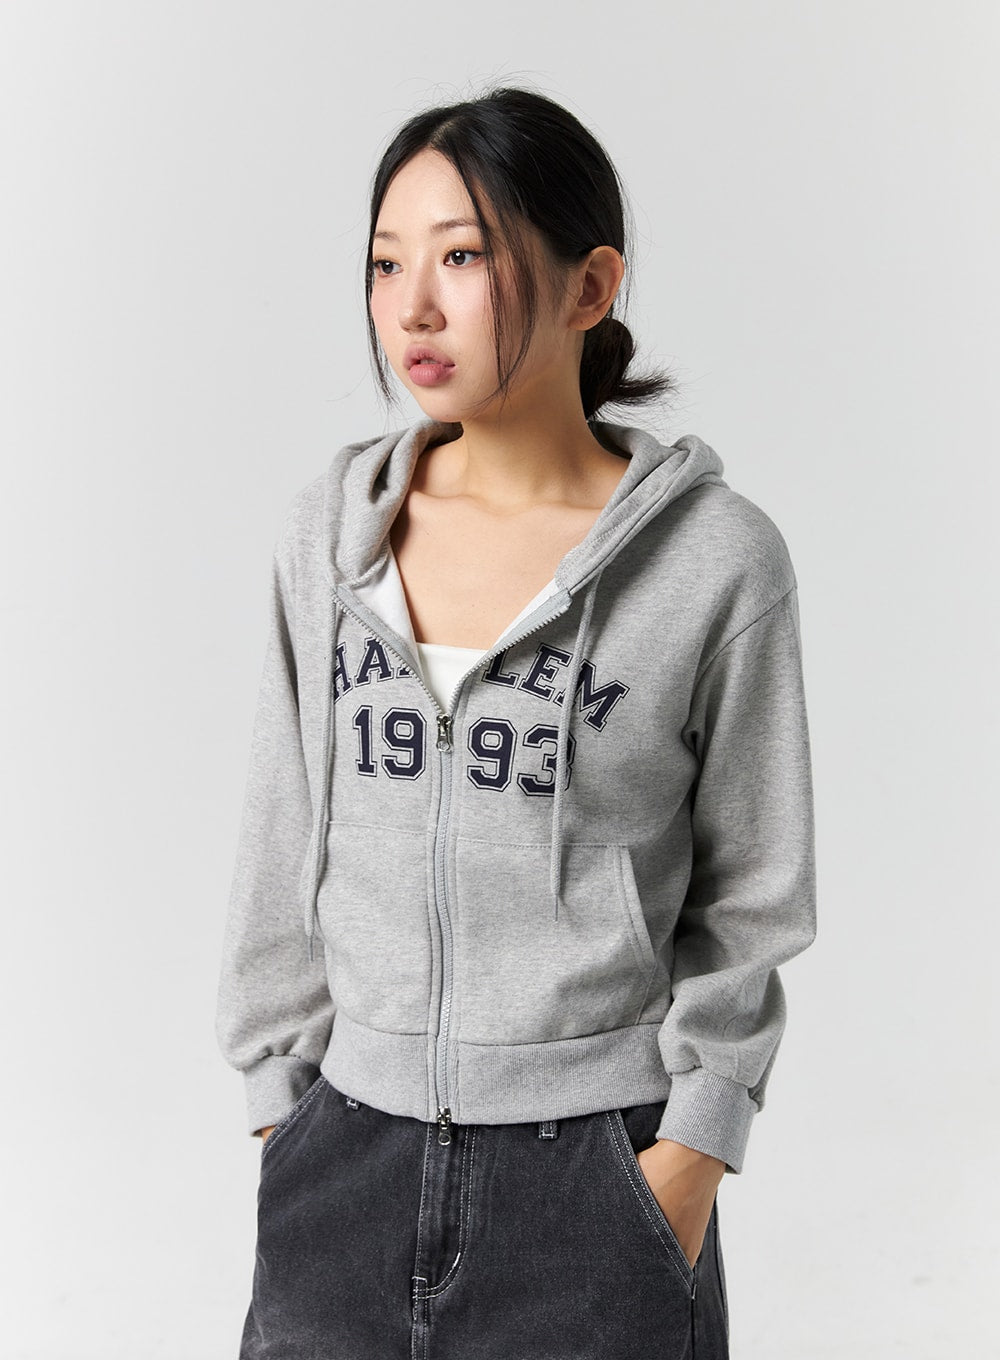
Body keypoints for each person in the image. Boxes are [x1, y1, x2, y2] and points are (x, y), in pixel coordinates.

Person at [215, 85, 817, 1360]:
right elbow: (279, 837)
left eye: (462, 257)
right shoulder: (327, 540)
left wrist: (688, 1157)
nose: (412, 308)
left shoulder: (716, 563)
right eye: (386, 263)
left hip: (596, 1178)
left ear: (590, 286)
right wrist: (284, 1112)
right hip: (344, 1161)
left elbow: (755, 893)